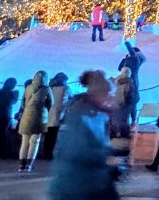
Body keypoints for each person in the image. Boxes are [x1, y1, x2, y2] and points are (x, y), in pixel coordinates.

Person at [48, 70, 117, 200]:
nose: (110, 98)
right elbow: (75, 149)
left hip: (93, 181)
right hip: (75, 185)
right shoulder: (80, 112)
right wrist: (106, 157)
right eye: (107, 94)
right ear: (97, 94)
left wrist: (115, 152)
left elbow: (97, 143)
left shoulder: (99, 114)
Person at [17, 70, 51, 171]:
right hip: (39, 118)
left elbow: (23, 103)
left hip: (26, 117)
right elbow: (51, 103)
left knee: (24, 142)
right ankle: (29, 165)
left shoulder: (28, 87)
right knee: (34, 142)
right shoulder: (47, 89)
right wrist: (44, 110)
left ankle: (21, 165)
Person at [43, 72, 70, 159]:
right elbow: (65, 101)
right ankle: (52, 154)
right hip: (58, 113)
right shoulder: (65, 88)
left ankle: (46, 153)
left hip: (48, 113)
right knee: (54, 135)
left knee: (48, 134)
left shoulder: (50, 87)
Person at [111, 68, 137, 140]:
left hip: (115, 105)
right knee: (124, 122)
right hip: (125, 105)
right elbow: (132, 97)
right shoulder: (130, 82)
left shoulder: (114, 80)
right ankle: (123, 137)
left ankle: (116, 135)